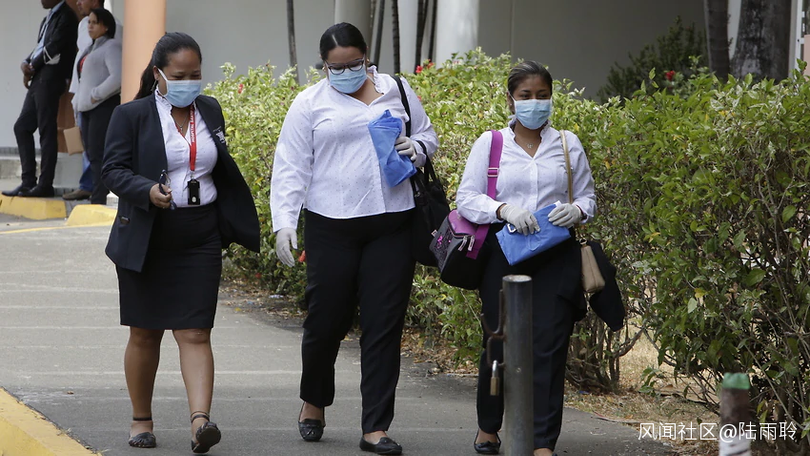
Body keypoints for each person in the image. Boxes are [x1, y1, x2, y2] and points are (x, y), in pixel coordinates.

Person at [270, 22, 438, 456]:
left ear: (368, 58)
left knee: (384, 325)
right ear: (323, 66)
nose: (345, 73)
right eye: (335, 67)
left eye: (354, 65)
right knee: (326, 320)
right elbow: (291, 166)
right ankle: (314, 400)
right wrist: (284, 223)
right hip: (332, 225)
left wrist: (415, 149)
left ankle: (376, 427)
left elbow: (427, 135)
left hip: (392, 223)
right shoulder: (309, 103)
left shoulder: (396, 90)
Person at [101, 32, 260, 453]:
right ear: (158, 74)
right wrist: (146, 190)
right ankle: (141, 420)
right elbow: (112, 170)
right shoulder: (132, 115)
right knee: (145, 333)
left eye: (196, 74)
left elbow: (216, 169)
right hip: (148, 236)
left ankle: (200, 423)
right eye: (180, 75)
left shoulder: (208, 109)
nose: (190, 82)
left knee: (195, 332)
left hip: (200, 235)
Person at [455, 61, 596, 456]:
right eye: (526, 96)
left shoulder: (568, 143)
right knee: (498, 340)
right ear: (511, 100)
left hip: (557, 255)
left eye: (542, 95)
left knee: (550, 347)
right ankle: (489, 426)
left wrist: (578, 211)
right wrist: (503, 210)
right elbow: (466, 197)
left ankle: (542, 440)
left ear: (552, 98)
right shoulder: (492, 143)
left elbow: (587, 197)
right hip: (505, 252)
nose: (535, 103)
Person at [2, 0, 78, 198]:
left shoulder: (67, 17)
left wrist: (32, 67)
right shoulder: (48, 17)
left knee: (46, 130)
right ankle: (28, 182)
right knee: (22, 127)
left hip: (52, 78)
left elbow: (53, 47)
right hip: (39, 78)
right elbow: (40, 46)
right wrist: (25, 64)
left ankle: (45, 184)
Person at [64, 0, 122, 201]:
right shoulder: (90, 48)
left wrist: (95, 94)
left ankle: (99, 195)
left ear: (106, 26)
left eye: (95, 23)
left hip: (101, 107)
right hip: (87, 108)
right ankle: (97, 193)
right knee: (90, 151)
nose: (90, 26)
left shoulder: (112, 46)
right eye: (89, 22)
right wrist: (79, 102)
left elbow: (117, 77)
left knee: (97, 153)